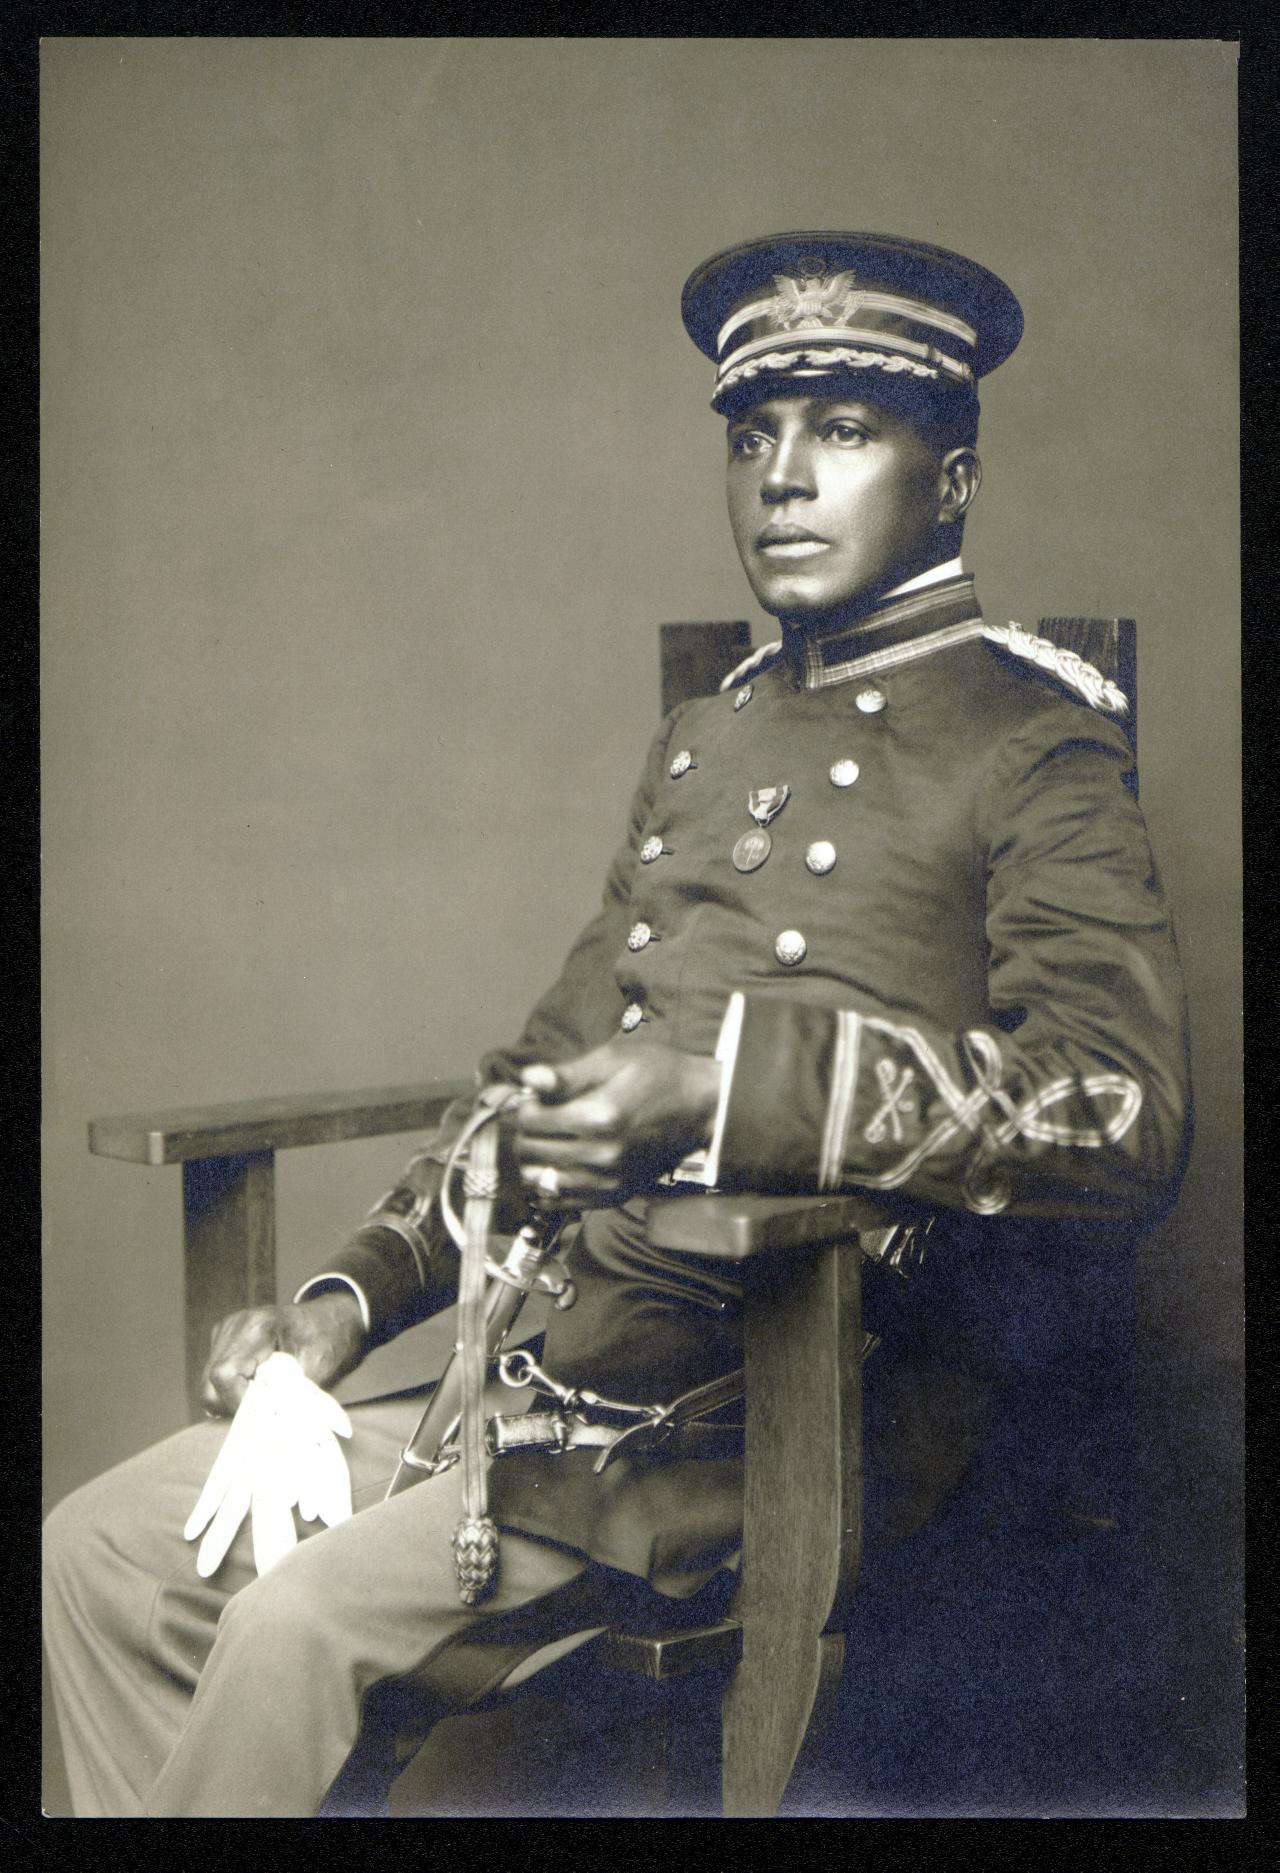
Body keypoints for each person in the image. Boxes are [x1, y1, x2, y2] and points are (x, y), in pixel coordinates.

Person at [43, 231, 1191, 1817]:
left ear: (955, 480)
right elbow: (538, 1075)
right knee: (98, 1548)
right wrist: (340, 1301)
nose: (781, 478)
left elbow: (1118, 1112)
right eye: (750, 435)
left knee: (286, 1626)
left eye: (842, 431)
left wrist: (724, 1095)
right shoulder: (704, 738)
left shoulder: (1032, 740)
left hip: (768, 1410)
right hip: (538, 1374)